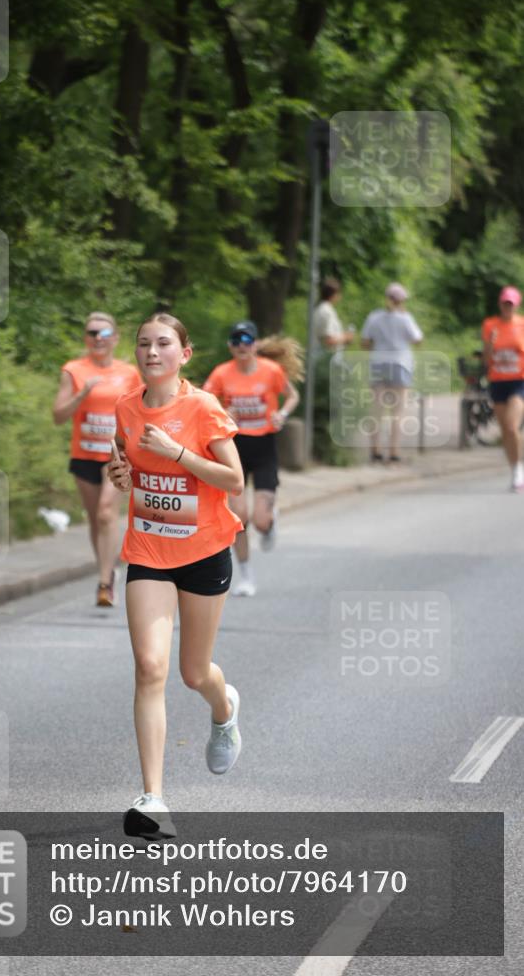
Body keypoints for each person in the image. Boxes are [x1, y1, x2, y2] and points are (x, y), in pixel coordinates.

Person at [107, 312, 245, 839]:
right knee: (149, 667)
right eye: (144, 343)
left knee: (193, 673)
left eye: (163, 343)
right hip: (147, 548)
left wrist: (179, 453)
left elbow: (233, 480)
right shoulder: (126, 407)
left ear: (184, 354)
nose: (151, 351)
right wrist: (120, 475)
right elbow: (124, 466)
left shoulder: (203, 408)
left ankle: (224, 706)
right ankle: (153, 798)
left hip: (204, 550)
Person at [203, 321, 301, 598]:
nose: (242, 345)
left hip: (265, 447)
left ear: (256, 345)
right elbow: (204, 404)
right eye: (236, 340)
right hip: (234, 449)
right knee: (238, 518)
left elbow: (293, 396)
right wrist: (223, 411)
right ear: (230, 346)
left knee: (259, 520)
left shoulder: (272, 371)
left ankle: (269, 521)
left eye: (247, 340)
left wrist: (281, 414)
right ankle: (245, 575)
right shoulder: (222, 373)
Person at [52, 312, 141, 606]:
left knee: (106, 512)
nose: (97, 339)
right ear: (85, 338)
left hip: (116, 453)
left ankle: (105, 583)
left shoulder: (128, 372)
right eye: (92, 334)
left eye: (103, 334)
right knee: (95, 519)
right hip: (84, 454)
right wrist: (82, 394)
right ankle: (109, 569)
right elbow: (58, 416)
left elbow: (140, 410)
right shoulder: (74, 370)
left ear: (115, 338)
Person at [361, 283, 423, 463]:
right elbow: (418, 340)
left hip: (378, 363)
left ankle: (375, 450)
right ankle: (394, 452)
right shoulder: (406, 318)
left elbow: (365, 343)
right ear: (402, 300)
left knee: (377, 410)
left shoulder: (374, 317)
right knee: (397, 411)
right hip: (400, 364)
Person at [481, 285, 524, 492]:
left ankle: (519, 472)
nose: (508, 307)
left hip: (519, 380)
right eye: (505, 303)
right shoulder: (490, 325)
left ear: (517, 305)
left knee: (511, 426)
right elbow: (486, 358)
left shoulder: (522, 324)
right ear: (500, 304)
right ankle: (515, 467)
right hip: (498, 381)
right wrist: (490, 343)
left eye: (511, 304)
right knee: (504, 432)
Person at [312, 277, 355, 359]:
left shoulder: (320, 308)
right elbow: (329, 341)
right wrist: (346, 337)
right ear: (334, 294)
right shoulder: (327, 311)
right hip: (326, 360)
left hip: (321, 357)